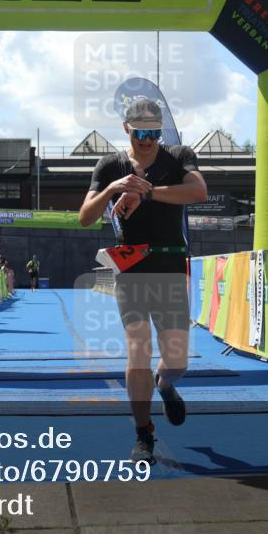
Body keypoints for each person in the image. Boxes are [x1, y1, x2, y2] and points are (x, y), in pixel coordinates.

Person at [78, 97, 208, 463]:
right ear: (126, 129)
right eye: (140, 133)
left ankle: (165, 384)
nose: (148, 140)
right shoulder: (110, 165)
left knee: (177, 361)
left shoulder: (178, 156)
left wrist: (146, 192)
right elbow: (85, 217)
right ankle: (143, 432)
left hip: (170, 266)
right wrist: (113, 190)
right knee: (138, 349)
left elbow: (199, 192)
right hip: (131, 270)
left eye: (154, 133)